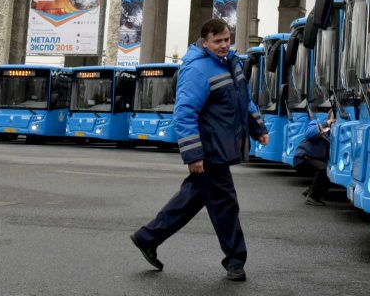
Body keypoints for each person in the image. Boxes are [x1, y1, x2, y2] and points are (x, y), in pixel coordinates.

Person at [130, 18, 269, 281]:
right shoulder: (197, 70)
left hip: (220, 147)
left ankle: (147, 237)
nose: (224, 45)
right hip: (210, 151)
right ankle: (235, 261)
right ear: (204, 42)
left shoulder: (233, 62)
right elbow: (184, 114)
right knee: (226, 204)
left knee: (191, 198)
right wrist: (193, 155)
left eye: (227, 39)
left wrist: (258, 128)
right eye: (218, 41)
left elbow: (244, 101)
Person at [293, 109, 335, 206]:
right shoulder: (317, 122)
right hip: (303, 158)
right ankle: (312, 197)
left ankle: (310, 190)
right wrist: (327, 124)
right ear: (329, 118)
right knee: (324, 169)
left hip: (313, 160)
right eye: (334, 118)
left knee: (332, 173)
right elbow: (309, 133)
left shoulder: (336, 132)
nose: (335, 120)